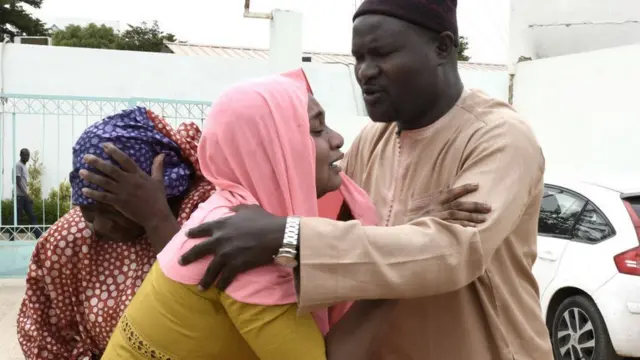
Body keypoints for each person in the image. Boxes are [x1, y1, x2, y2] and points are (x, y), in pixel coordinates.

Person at [176, 1, 554, 359]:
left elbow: (455, 252)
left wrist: (289, 236)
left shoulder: (497, 137)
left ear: (442, 47)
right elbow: (343, 231)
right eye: (359, 57)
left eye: (383, 54)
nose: (365, 72)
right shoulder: (373, 140)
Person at [101, 71, 488, 359]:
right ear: (274, 150)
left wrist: (403, 237)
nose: (337, 139)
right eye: (316, 129)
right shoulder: (243, 245)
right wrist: (396, 276)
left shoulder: (232, 212)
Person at [17, 107, 215, 359]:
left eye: (112, 211)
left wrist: (157, 221)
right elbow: (43, 334)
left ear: (164, 192)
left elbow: (214, 315)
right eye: (88, 210)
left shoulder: (206, 214)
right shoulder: (69, 240)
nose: (99, 226)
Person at [12, 148, 42, 240]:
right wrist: (27, 195)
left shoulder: (24, 166)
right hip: (19, 196)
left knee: (32, 215)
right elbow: (17, 181)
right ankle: (11, 238)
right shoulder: (18, 165)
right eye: (25, 155)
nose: (27, 157)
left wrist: (26, 194)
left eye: (28, 155)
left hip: (24, 196)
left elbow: (24, 183)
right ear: (20, 155)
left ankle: (39, 236)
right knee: (16, 217)